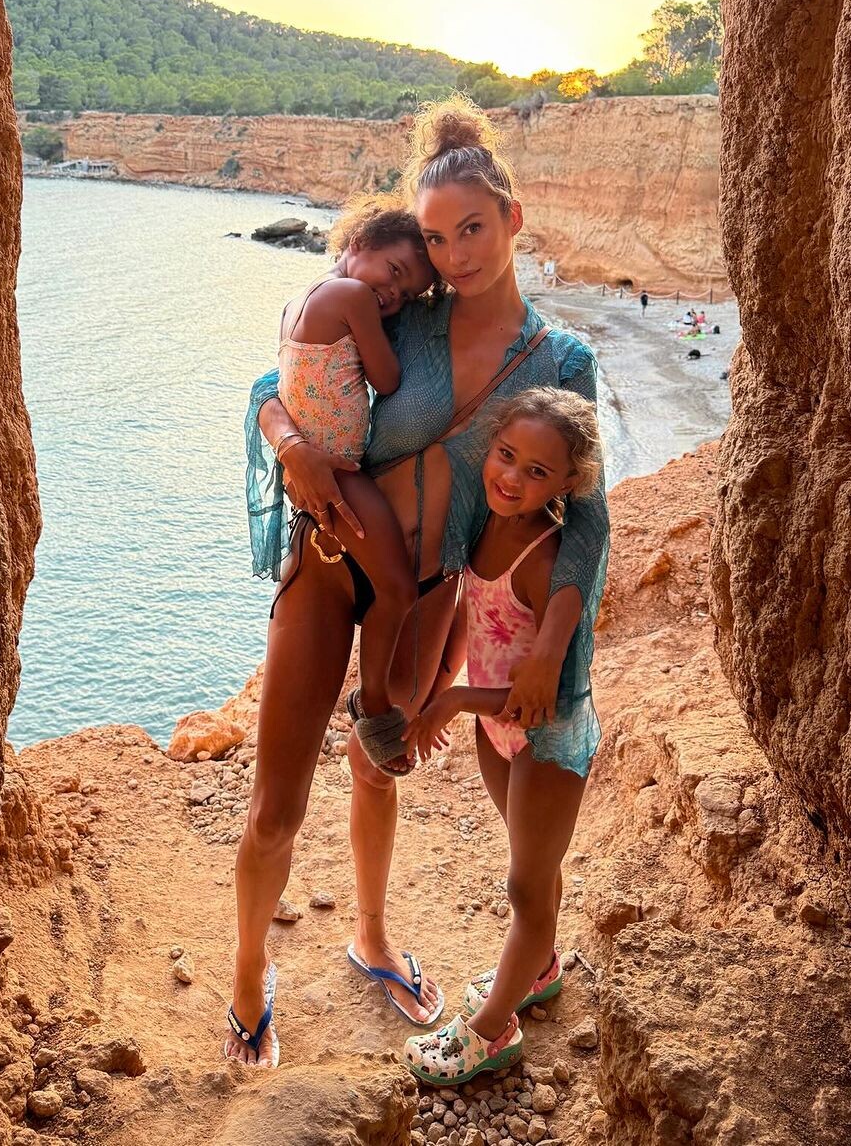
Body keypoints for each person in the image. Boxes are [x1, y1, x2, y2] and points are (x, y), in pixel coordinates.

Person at [226, 93, 609, 1069]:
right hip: (330, 565)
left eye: (472, 230)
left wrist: (552, 653)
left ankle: (374, 938)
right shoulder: (409, 320)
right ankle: (247, 981)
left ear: (513, 218)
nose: (454, 255)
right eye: (437, 239)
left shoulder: (562, 360)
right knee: (276, 805)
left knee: (378, 763)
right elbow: (280, 381)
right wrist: (291, 448)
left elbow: (585, 515)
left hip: (429, 592)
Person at [401, 387, 603, 1084]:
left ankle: (491, 1032)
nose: (512, 477)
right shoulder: (484, 527)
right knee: (533, 864)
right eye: (506, 455)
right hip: (496, 732)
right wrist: (445, 690)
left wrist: (455, 699)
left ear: (567, 484)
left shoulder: (545, 559)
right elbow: (477, 618)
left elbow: (537, 699)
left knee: (525, 886)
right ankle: (539, 967)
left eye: (536, 471)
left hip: (546, 738)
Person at [275, 195, 437, 778]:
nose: (393, 294)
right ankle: (371, 704)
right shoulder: (352, 297)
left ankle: (369, 699)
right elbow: (387, 379)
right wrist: (394, 331)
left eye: (408, 294)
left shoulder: (301, 298)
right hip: (341, 473)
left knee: (391, 586)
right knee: (398, 589)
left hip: (327, 468)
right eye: (394, 271)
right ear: (358, 242)